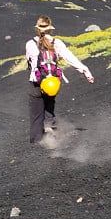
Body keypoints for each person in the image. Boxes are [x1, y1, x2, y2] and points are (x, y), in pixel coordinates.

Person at [25, 15, 94, 144]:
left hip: (37, 82)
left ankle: (38, 142)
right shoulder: (57, 43)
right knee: (49, 106)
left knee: (36, 114)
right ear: (50, 29)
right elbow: (70, 58)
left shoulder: (30, 44)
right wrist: (85, 71)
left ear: (37, 29)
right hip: (53, 82)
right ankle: (50, 127)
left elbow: (30, 63)